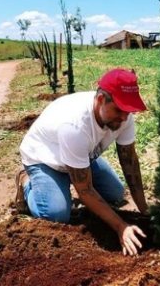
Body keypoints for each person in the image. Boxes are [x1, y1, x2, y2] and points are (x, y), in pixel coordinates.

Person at [15, 68, 149, 256]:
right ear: (101, 100)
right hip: (46, 160)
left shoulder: (123, 116)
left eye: (128, 110)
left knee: (116, 193)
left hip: (81, 155)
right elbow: (84, 191)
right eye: (119, 110)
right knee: (56, 214)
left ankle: (70, 177)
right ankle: (29, 186)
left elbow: (130, 162)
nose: (124, 117)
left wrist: (145, 209)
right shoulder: (75, 126)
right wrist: (121, 227)